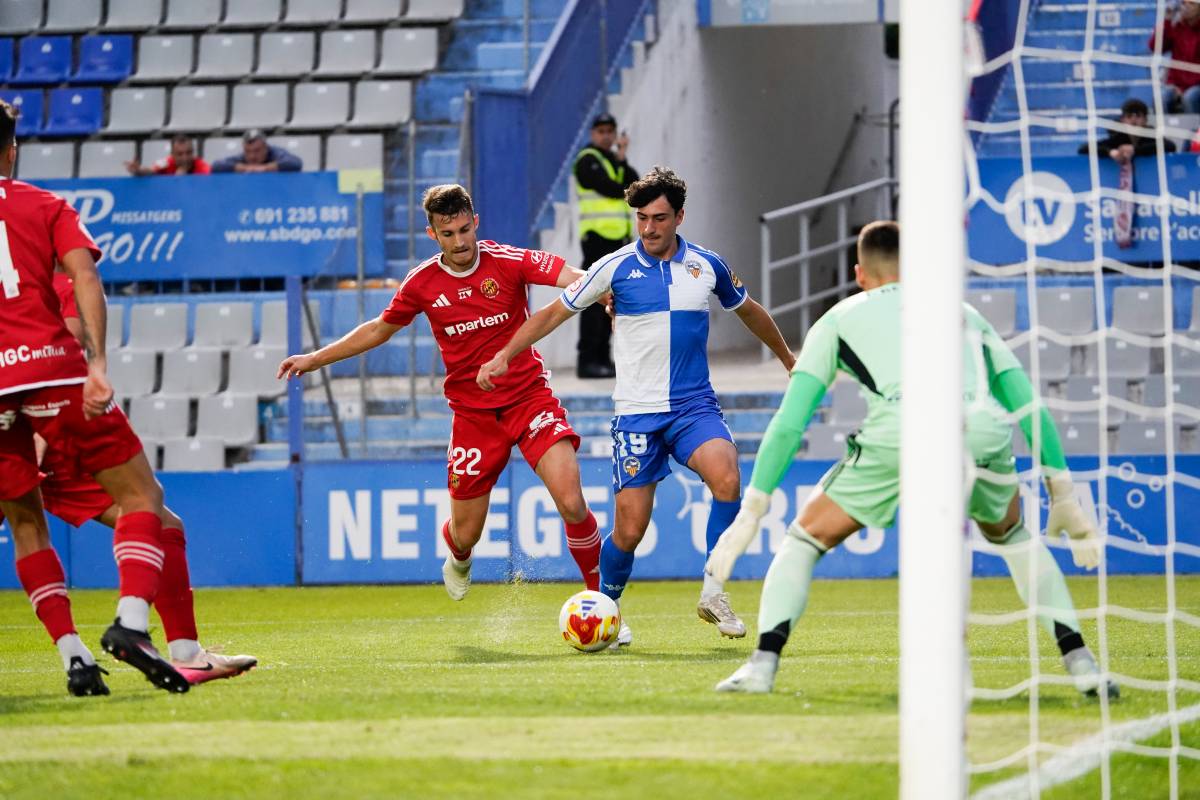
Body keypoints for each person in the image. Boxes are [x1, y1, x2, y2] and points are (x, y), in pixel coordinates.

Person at [705, 221, 1117, 698]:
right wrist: (1062, 494)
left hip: (901, 428)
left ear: (860, 273)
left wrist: (752, 511)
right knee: (1012, 535)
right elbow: (1029, 408)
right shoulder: (963, 314)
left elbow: (790, 422)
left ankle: (761, 667)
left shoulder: (839, 318)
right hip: (979, 429)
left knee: (804, 539)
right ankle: (1083, 665)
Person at [477, 166, 796, 646]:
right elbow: (552, 313)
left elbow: (748, 310)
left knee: (728, 476)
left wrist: (789, 359)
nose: (649, 228)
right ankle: (608, 604)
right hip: (637, 415)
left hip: (693, 407)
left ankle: (714, 590)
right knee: (629, 530)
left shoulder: (707, 266)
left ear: (680, 217)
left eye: (659, 218)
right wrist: (506, 353)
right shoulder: (613, 268)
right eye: (642, 218)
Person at [278, 184, 603, 599]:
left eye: (465, 230)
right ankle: (459, 556)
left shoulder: (508, 261)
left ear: (476, 223)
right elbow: (379, 328)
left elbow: (571, 277)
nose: (460, 241)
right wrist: (314, 358)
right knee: (467, 533)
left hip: (529, 399)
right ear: (433, 234)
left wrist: (599, 291)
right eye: (448, 234)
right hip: (473, 418)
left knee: (572, 501)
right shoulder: (423, 283)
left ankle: (603, 599)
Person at [0, 100, 189, 695]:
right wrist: (98, 363)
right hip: (50, 375)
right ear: (11, 149)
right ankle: (133, 624)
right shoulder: (43, 204)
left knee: (25, 523)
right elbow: (84, 276)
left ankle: (74, 657)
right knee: (144, 497)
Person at [0, 271, 258, 691]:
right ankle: (175, 648)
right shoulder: (56, 282)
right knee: (153, 515)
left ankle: (78, 660)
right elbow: (58, 358)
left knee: (31, 532)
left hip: (12, 426)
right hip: (47, 430)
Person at [573, 112, 638, 379]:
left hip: (618, 240)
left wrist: (622, 157)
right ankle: (587, 360)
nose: (606, 135)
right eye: (601, 131)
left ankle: (603, 358)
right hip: (597, 239)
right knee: (592, 300)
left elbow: (635, 185)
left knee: (611, 300)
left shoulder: (613, 159)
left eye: (610, 130)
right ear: (592, 134)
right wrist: (621, 171)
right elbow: (613, 189)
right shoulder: (587, 160)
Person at [1077, 98, 1177, 163]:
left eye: (1138, 116)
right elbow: (1083, 148)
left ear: (1145, 120)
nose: (1133, 120)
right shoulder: (1118, 137)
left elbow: (1170, 146)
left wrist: (1135, 150)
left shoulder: (1151, 134)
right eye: (1129, 116)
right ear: (1122, 120)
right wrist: (1110, 152)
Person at [1150, 0, 1200, 114]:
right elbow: (1155, 47)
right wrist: (1167, 20)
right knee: (1161, 98)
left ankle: (1195, 131)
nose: (1185, 6)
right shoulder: (1177, 27)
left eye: (1191, 3)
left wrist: (1184, 88)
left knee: (1190, 97)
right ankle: (1165, 132)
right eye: (1183, 3)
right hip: (1176, 85)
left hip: (1196, 85)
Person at [211, 129, 302, 174]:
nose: (252, 156)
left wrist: (265, 168)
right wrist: (244, 168)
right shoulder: (242, 158)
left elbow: (295, 162)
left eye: (257, 151)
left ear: (265, 147)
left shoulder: (276, 153)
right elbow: (216, 166)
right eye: (248, 151)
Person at [125, 134, 211, 176]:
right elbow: (151, 171)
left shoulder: (202, 166)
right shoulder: (167, 162)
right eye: (180, 154)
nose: (185, 158)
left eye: (188, 153)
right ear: (172, 154)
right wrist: (138, 170)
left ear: (193, 152)